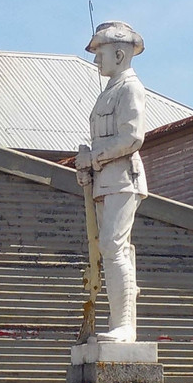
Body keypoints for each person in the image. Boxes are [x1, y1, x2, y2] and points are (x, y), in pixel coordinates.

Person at [76, 21, 147, 343]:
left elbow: (132, 137)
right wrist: (87, 164)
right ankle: (118, 322)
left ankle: (125, 327)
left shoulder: (130, 87)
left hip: (122, 178)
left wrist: (94, 157)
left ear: (119, 54)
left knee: (113, 248)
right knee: (110, 250)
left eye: (99, 53)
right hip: (105, 180)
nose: (95, 61)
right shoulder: (111, 90)